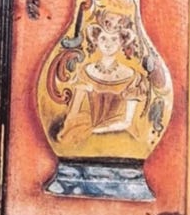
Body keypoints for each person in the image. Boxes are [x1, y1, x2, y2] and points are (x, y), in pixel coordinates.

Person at [58, 10, 147, 141]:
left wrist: (95, 131)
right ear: (96, 41)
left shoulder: (132, 77)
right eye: (103, 38)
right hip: (90, 132)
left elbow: (127, 123)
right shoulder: (85, 72)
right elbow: (72, 113)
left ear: (122, 42)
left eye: (114, 39)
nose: (108, 44)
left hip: (119, 135)